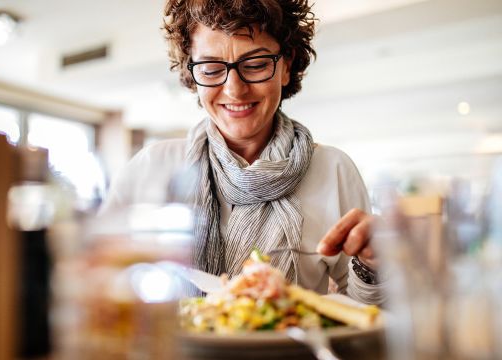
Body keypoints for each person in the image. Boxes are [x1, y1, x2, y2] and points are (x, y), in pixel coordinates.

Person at [102, 0, 384, 305]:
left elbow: (362, 314)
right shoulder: (151, 167)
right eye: (211, 69)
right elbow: (99, 281)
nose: (234, 90)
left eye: (256, 64)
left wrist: (373, 267)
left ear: (286, 66)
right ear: (192, 73)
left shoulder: (333, 170)